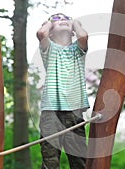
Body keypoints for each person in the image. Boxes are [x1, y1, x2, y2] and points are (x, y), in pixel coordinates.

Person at [36, 13, 89, 169]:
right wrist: (48, 22)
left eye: (66, 18)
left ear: (72, 30)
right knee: (50, 160)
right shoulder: (49, 49)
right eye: (57, 19)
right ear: (51, 30)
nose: (62, 20)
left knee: (79, 160)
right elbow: (41, 33)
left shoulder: (78, 51)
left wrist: (75, 23)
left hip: (74, 112)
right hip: (51, 112)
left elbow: (83, 35)